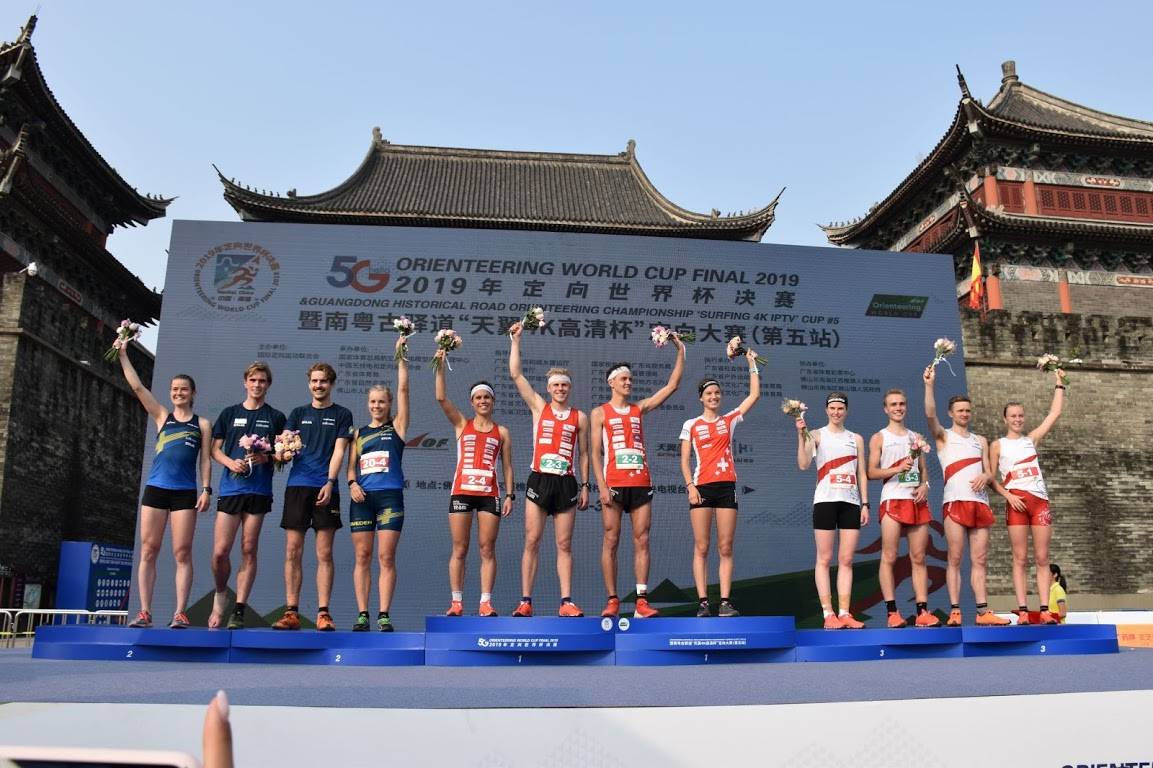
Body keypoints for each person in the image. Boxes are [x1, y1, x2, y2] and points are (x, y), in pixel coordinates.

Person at [591, 337, 685, 619]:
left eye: (630, 379)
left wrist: (681, 351)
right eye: (623, 379)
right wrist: (602, 486)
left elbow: (671, 386)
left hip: (641, 482)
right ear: (612, 383)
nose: (628, 383)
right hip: (615, 484)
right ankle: (612, 600)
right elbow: (595, 454)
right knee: (611, 539)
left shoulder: (638, 408)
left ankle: (642, 601)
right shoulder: (599, 413)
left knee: (642, 539)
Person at [118, 345, 212, 629]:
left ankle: (180, 612)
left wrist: (206, 489)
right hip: (156, 490)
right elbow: (136, 386)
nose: (178, 393)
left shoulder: (202, 424)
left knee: (182, 552)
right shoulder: (162, 416)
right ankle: (145, 612)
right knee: (149, 550)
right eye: (174, 389)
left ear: (193, 393)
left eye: (183, 389)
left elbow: (205, 460)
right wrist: (123, 353)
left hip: (184, 492)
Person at [507, 322, 591, 617]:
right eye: (555, 385)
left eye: (564, 385)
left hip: (566, 483)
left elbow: (584, 454)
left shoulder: (579, 417)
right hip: (539, 480)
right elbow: (516, 375)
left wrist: (585, 485)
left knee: (564, 544)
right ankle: (525, 601)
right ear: (548, 388)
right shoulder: (539, 407)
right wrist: (516, 341)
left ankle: (566, 602)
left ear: (569, 388)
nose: (560, 389)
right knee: (532, 540)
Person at [923, 365, 1010, 626]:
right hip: (955, 502)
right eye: (960, 410)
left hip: (979, 503)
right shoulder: (943, 436)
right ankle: (955, 610)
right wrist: (929, 385)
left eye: (967, 410)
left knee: (980, 559)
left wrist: (987, 476)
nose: (964, 414)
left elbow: (989, 472)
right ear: (951, 413)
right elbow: (929, 414)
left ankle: (983, 612)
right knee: (955, 558)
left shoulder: (980, 440)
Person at [271, 363, 353, 631]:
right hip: (298, 486)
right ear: (309, 383)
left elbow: (339, 451)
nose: (319, 386)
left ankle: (323, 613)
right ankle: (292, 612)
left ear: (331, 384)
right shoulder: (297, 413)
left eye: (324, 381)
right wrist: (281, 453)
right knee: (292, 551)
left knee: (324, 553)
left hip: (326, 487)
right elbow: (283, 447)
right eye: (315, 381)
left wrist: (330, 482)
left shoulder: (342, 414)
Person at [679, 348, 760, 618]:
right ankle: (703, 602)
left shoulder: (729, 421)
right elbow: (684, 459)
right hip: (701, 487)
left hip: (727, 488)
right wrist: (690, 486)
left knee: (725, 546)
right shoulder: (691, 424)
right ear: (701, 398)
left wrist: (751, 363)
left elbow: (754, 395)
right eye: (708, 394)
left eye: (717, 393)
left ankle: (725, 601)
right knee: (701, 546)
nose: (713, 397)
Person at [435, 348, 514, 616]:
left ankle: (485, 602)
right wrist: (440, 363)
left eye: (487, 397)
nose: (483, 401)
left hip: (489, 494)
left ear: (493, 401)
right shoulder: (461, 424)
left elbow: (507, 465)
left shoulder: (502, 431)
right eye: (478, 397)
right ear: (472, 402)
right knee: (460, 548)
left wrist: (511, 495)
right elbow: (441, 397)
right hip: (461, 492)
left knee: (487, 548)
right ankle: (456, 602)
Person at [209, 362, 286, 629]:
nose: (257, 385)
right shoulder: (230, 413)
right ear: (245, 382)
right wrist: (230, 463)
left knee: (248, 548)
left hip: (258, 490)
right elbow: (215, 449)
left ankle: (239, 609)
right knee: (220, 553)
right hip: (231, 488)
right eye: (253, 380)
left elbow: (282, 454)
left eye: (262, 381)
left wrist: (264, 457)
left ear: (268, 385)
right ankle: (221, 594)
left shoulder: (276, 417)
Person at [990, 368, 1065, 625]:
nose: (1018, 419)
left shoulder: (1031, 440)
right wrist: (1007, 496)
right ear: (1005, 419)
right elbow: (991, 478)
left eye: (1021, 416)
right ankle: (1023, 609)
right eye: (1013, 416)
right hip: (1016, 503)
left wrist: (1060, 384)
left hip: (1039, 502)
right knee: (1019, 558)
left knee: (1042, 557)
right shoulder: (997, 445)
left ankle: (1044, 609)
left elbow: (1054, 414)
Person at [347, 336, 410, 631]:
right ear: (367, 404)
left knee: (386, 556)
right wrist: (351, 484)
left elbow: (403, 388)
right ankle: (363, 614)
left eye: (382, 401)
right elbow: (351, 467)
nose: (377, 406)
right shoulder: (358, 434)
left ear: (389, 404)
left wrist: (400, 356)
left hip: (389, 498)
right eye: (372, 402)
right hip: (362, 499)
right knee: (362, 555)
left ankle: (383, 614)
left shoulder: (397, 426)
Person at [867, 388, 939, 628]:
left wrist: (925, 485)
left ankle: (922, 612)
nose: (898, 408)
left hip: (916, 500)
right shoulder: (879, 437)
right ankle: (892, 613)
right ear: (885, 409)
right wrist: (896, 469)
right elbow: (871, 472)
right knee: (889, 555)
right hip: (892, 499)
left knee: (919, 557)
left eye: (902, 404)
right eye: (893, 404)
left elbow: (923, 469)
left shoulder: (915, 437)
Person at [797, 392, 869, 629]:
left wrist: (865, 503)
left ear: (846, 411)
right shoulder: (817, 434)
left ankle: (845, 613)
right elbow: (803, 463)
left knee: (847, 559)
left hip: (850, 502)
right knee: (825, 558)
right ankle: (828, 614)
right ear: (826, 410)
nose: (836, 412)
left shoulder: (856, 438)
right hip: (825, 501)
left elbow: (862, 474)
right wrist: (801, 434)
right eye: (832, 408)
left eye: (840, 408)